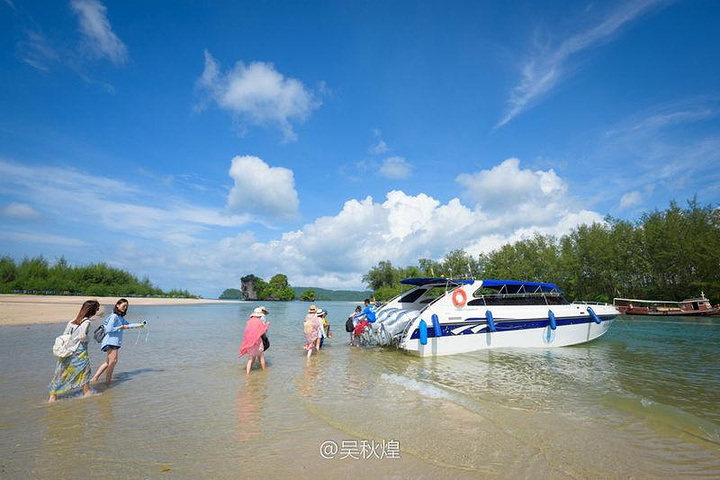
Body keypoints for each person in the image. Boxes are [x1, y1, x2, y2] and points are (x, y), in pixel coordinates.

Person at [48, 300, 101, 403]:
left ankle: (52, 397)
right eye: (97, 309)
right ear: (92, 310)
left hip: (67, 351)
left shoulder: (72, 321)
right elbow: (82, 337)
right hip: (79, 351)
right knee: (85, 371)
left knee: (62, 372)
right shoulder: (87, 322)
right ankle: (87, 393)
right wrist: (88, 339)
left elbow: (65, 335)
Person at [90, 298, 144, 386]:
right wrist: (120, 327)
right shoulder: (114, 316)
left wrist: (140, 325)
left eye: (126, 306)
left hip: (113, 342)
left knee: (108, 362)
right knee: (113, 362)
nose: (125, 307)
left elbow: (128, 325)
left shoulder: (120, 317)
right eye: (123, 306)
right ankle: (107, 383)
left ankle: (95, 378)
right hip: (110, 341)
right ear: (117, 305)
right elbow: (109, 329)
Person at [239, 307, 270, 375]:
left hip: (250, 343)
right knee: (261, 357)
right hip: (258, 342)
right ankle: (264, 372)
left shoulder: (249, 322)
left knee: (250, 359)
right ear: (260, 315)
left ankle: (247, 374)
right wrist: (267, 325)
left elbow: (246, 332)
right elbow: (262, 331)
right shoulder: (259, 321)